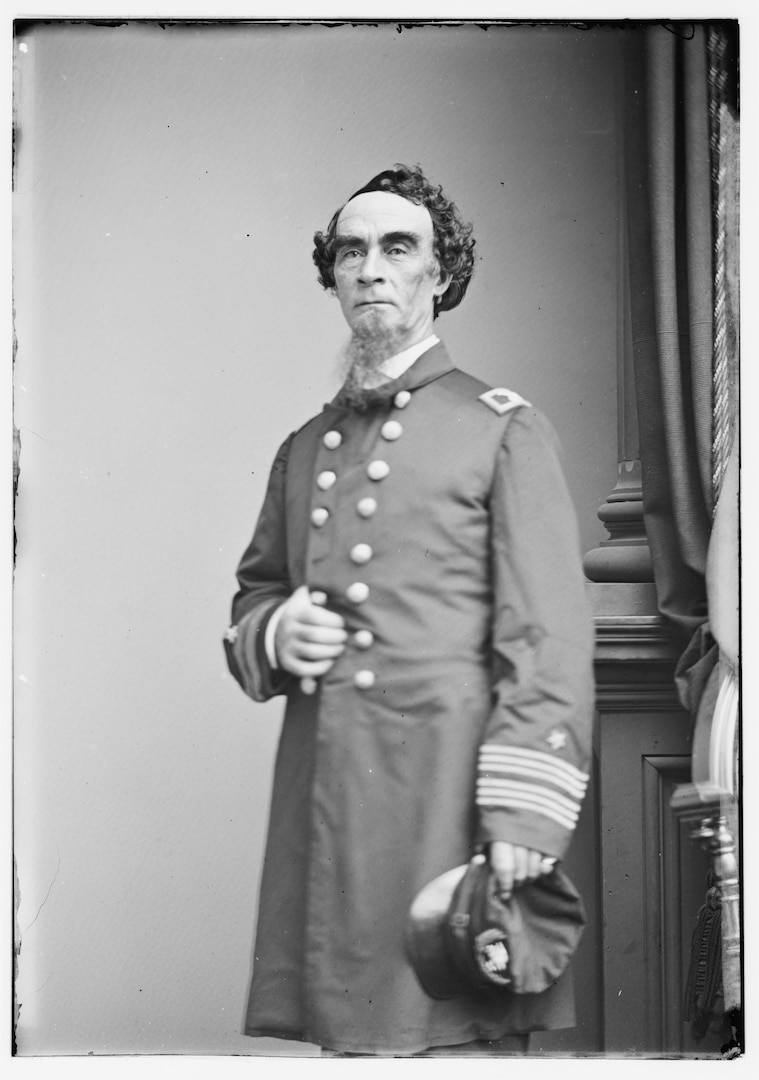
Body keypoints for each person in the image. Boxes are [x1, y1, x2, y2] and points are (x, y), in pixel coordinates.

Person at [223, 164, 595, 1056]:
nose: (370, 268)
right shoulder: (304, 448)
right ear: (333, 277)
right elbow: (255, 594)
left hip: (448, 796)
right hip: (329, 798)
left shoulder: (500, 428)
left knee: (453, 1041)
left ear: (441, 273)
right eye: (350, 252)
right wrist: (275, 629)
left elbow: (547, 639)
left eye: (397, 247)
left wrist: (523, 821)